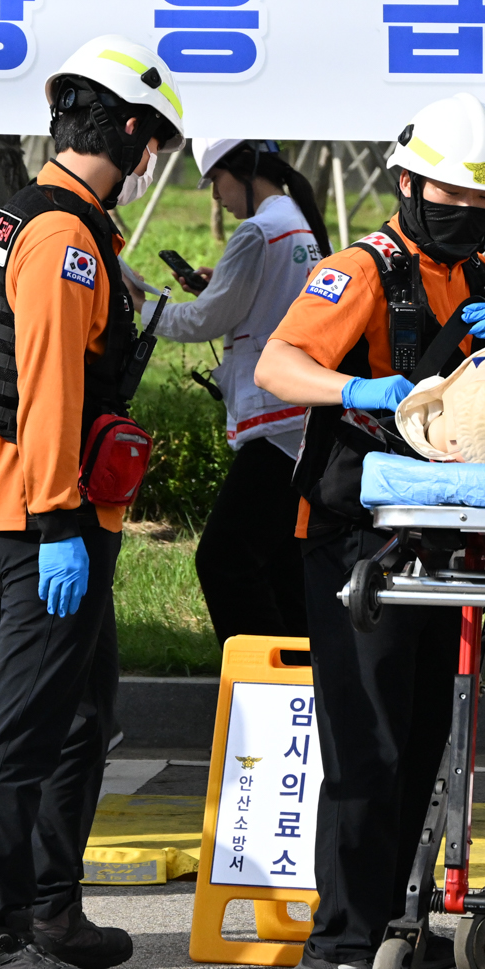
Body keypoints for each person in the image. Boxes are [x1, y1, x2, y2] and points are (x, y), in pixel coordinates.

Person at [254, 93, 485, 969]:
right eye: (451, 196)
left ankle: (385, 923)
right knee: (365, 743)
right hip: (356, 541)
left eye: (484, 202)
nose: (467, 213)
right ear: (410, 182)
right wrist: (359, 390)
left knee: (420, 740)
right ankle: (337, 941)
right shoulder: (361, 271)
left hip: (444, 535)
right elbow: (277, 364)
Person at [0, 35, 184, 969]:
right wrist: (53, 521)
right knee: (20, 725)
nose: (153, 161)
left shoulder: (53, 223)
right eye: (152, 143)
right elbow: (47, 386)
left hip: (61, 512)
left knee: (83, 715)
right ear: (126, 131)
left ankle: (51, 905)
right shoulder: (62, 238)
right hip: (44, 516)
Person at [158, 139, 333, 641]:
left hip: (275, 420)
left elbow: (204, 320)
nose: (216, 197)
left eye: (216, 181)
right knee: (279, 568)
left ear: (242, 169)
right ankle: (301, 684)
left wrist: (137, 310)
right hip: (298, 418)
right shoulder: (296, 222)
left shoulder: (259, 231)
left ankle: (255, 683)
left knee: (223, 560)